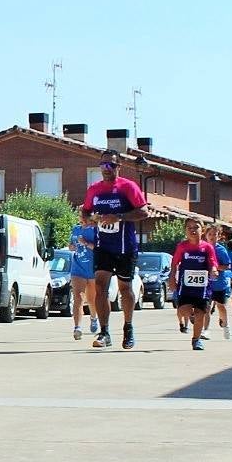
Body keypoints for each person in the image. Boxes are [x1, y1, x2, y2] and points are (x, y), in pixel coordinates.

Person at [80, 149, 149, 349]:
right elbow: (85, 211)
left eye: (110, 165)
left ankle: (128, 328)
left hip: (125, 246)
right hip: (103, 246)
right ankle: (104, 332)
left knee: (125, 289)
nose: (106, 169)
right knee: (100, 287)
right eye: (103, 165)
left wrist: (119, 217)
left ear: (119, 166)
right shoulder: (94, 189)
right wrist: (86, 219)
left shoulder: (128, 187)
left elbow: (144, 212)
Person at [167, 218, 219, 350]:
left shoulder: (207, 247)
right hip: (185, 286)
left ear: (202, 230)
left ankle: (196, 340)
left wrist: (213, 270)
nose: (192, 230)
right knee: (183, 310)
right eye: (189, 227)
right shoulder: (182, 246)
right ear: (185, 231)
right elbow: (174, 264)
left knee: (201, 313)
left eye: (195, 227)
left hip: (202, 287)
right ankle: (190, 316)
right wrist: (172, 279)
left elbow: (213, 262)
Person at [68, 214, 100, 340]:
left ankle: (93, 318)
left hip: (92, 269)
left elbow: (98, 249)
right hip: (77, 268)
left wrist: (86, 243)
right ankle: (77, 327)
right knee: (78, 298)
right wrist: (72, 247)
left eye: (82, 217)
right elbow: (71, 245)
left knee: (92, 300)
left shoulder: (95, 229)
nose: (80, 220)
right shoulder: (76, 229)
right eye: (79, 217)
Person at [208, 225, 232, 339]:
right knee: (206, 307)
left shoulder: (221, 250)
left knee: (220, 306)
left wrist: (215, 267)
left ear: (218, 236)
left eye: (215, 234)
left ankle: (226, 325)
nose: (212, 237)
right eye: (210, 234)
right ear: (206, 235)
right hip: (206, 284)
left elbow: (227, 265)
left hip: (219, 283)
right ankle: (205, 330)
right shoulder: (202, 248)